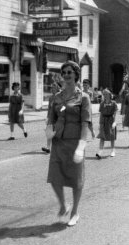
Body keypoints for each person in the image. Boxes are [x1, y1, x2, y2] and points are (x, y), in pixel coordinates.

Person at [47, 61, 91, 226]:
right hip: (58, 142)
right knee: (54, 177)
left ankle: (75, 212)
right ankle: (63, 204)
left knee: (75, 179)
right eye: (64, 72)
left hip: (74, 142)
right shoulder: (56, 97)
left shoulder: (83, 97)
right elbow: (51, 119)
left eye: (69, 72)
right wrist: (48, 134)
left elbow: (85, 123)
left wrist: (81, 146)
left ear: (76, 75)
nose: (66, 75)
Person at [96, 89, 118, 158]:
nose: (105, 95)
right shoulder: (102, 103)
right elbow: (101, 114)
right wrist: (100, 124)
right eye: (104, 94)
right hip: (104, 120)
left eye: (106, 94)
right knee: (102, 136)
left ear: (109, 94)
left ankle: (112, 150)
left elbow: (115, 113)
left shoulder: (113, 103)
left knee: (112, 136)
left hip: (111, 120)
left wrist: (114, 122)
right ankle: (100, 151)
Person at [42, 82, 62, 153]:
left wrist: (61, 112)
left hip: (58, 117)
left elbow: (65, 106)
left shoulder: (61, 96)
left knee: (57, 133)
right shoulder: (51, 98)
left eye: (54, 87)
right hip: (51, 117)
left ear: (57, 88)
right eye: (52, 88)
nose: (52, 89)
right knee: (49, 132)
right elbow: (49, 108)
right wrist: (47, 117)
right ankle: (48, 147)